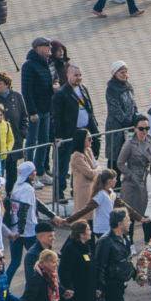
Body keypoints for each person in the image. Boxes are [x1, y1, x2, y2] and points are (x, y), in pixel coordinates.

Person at [6, 162, 64, 282]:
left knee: (14, 263)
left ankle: (3, 287)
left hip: (15, 229)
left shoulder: (17, 185)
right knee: (45, 258)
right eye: (34, 172)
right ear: (29, 174)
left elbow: (35, 202)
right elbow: (24, 209)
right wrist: (21, 231)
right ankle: (48, 281)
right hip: (28, 231)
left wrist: (52, 216)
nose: (35, 173)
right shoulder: (27, 189)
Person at [52, 65, 100, 202]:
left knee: (82, 163)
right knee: (63, 165)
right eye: (75, 75)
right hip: (68, 134)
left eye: (80, 75)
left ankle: (76, 191)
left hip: (83, 133)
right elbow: (56, 116)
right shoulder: (61, 94)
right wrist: (58, 135)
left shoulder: (83, 89)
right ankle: (59, 194)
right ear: (68, 75)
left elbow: (89, 110)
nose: (78, 78)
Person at [94, 209, 136, 301]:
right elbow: (100, 265)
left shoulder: (124, 238)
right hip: (110, 283)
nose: (130, 222)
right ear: (119, 223)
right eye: (127, 220)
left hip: (119, 282)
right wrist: (99, 286)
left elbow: (126, 261)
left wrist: (135, 274)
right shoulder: (106, 241)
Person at [0, 72, 29, 195]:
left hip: (13, 142)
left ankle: (10, 194)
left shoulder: (16, 97)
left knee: (12, 170)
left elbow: (24, 116)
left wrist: (23, 132)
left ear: (7, 85)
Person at [65, 168, 143, 238]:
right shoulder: (101, 195)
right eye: (115, 179)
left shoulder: (111, 192)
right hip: (102, 228)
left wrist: (140, 218)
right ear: (109, 181)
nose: (116, 181)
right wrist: (68, 220)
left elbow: (123, 205)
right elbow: (86, 209)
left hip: (109, 227)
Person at [21, 37, 53, 187]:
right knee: (32, 142)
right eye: (47, 46)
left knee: (44, 141)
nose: (49, 49)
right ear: (38, 48)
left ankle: (40, 171)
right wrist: (32, 111)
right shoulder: (29, 65)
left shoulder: (45, 64)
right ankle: (29, 174)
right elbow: (27, 91)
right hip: (36, 111)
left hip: (46, 109)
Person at [117, 114, 151, 219]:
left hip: (145, 180)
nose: (144, 132)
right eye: (141, 129)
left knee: (145, 214)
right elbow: (120, 163)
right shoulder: (129, 144)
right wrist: (130, 174)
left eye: (147, 128)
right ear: (135, 129)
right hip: (131, 183)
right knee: (129, 215)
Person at [106, 61, 138, 171]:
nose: (124, 74)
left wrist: (136, 117)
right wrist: (126, 121)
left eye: (125, 72)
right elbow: (115, 109)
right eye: (121, 72)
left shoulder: (128, 86)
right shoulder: (111, 89)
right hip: (116, 127)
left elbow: (133, 103)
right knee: (114, 156)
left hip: (128, 127)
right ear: (115, 73)